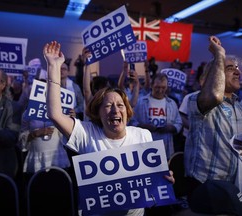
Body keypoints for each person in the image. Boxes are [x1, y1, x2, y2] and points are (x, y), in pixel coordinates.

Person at [43, 41, 175, 216]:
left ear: (127, 112)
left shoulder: (143, 135)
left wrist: (163, 179)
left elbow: (152, 181)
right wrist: (53, 66)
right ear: (98, 112)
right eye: (108, 106)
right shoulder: (86, 133)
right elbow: (55, 114)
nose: (115, 110)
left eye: (120, 105)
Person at [184, 36, 242, 206]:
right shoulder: (198, 100)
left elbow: (240, 142)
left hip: (235, 186)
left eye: (237, 68)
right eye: (230, 68)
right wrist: (219, 55)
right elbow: (215, 95)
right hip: (206, 187)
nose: (238, 72)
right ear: (213, 75)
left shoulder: (240, 107)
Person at [130, 73, 183, 160]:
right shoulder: (140, 102)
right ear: (151, 85)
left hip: (165, 147)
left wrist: (172, 128)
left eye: (163, 87)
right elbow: (131, 121)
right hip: (145, 146)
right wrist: (142, 126)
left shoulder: (172, 103)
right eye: (157, 87)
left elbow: (179, 123)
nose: (160, 90)